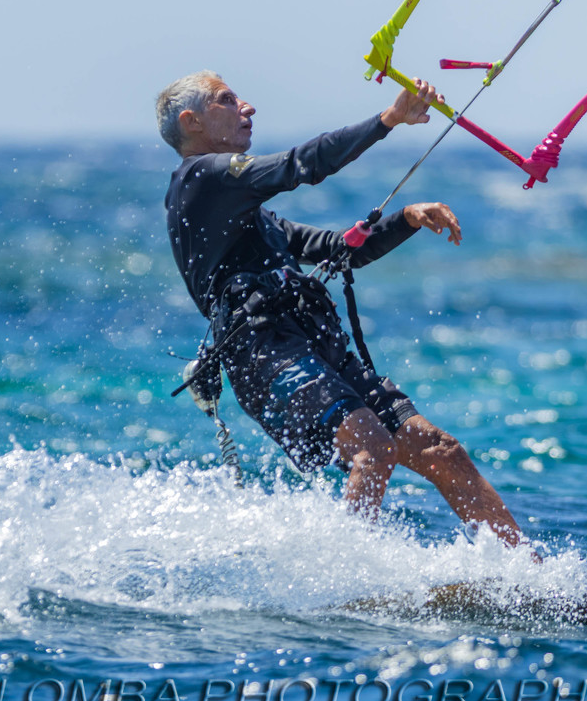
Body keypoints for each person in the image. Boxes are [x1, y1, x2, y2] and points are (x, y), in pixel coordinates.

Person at [156, 70, 525, 547]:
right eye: (227, 100)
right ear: (192, 122)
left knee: (441, 450)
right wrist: (388, 120)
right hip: (264, 355)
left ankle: (528, 575)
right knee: (372, 445)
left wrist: (406, 218)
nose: (247, 107)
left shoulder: (252, 218)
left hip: (313, 346)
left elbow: (340, 249)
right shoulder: (201, 178)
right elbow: (299, 165)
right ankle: (352, 580)